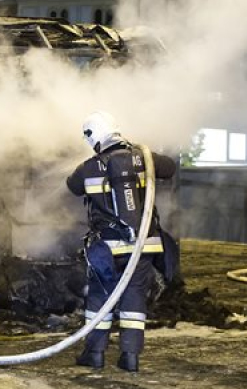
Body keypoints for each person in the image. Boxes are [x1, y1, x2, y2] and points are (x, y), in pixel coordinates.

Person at [66, 111, 176, 373]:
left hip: (107, 248)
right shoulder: (144, 159)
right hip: (142, 246)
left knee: (99, 298)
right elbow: (170, 168)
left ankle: (95, 354)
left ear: (94, 137)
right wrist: (141, 158)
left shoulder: (89, 167)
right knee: (135, 299)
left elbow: (72, 186)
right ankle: (130, 357)